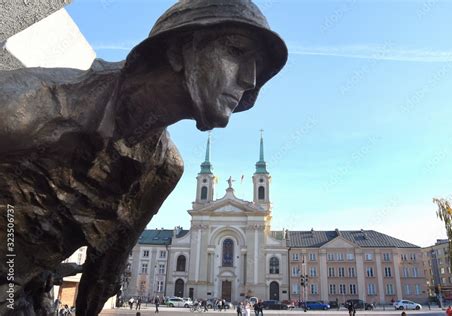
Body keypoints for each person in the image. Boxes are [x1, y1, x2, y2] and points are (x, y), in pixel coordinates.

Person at [0, 1, 287, 315]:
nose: (250, 79)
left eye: (257, 66)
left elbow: (104, 275)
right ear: (178, 50)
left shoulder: (163, 169)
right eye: (235, 50)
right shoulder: (30, 107)